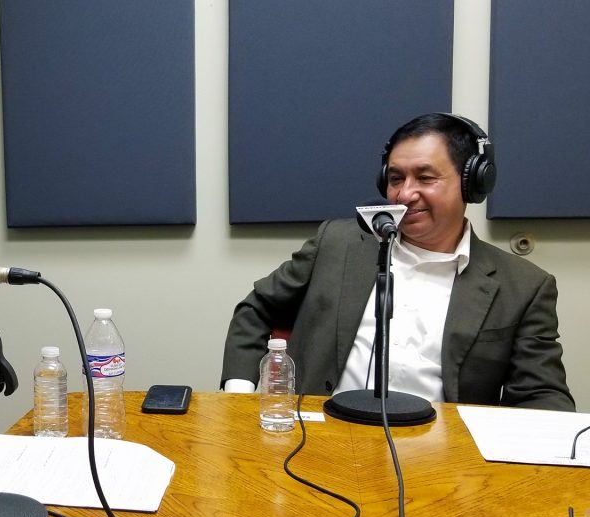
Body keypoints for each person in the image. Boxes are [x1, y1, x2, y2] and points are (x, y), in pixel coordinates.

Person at [221, 113, 574, 411]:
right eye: (395, 178)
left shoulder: (523, 286)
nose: (405, 194)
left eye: (425, 177)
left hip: (443, 458)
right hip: (318, 437)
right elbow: (255, 311)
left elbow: (541, 394)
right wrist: (240, 400)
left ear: (472, 183)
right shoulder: (337, 243)